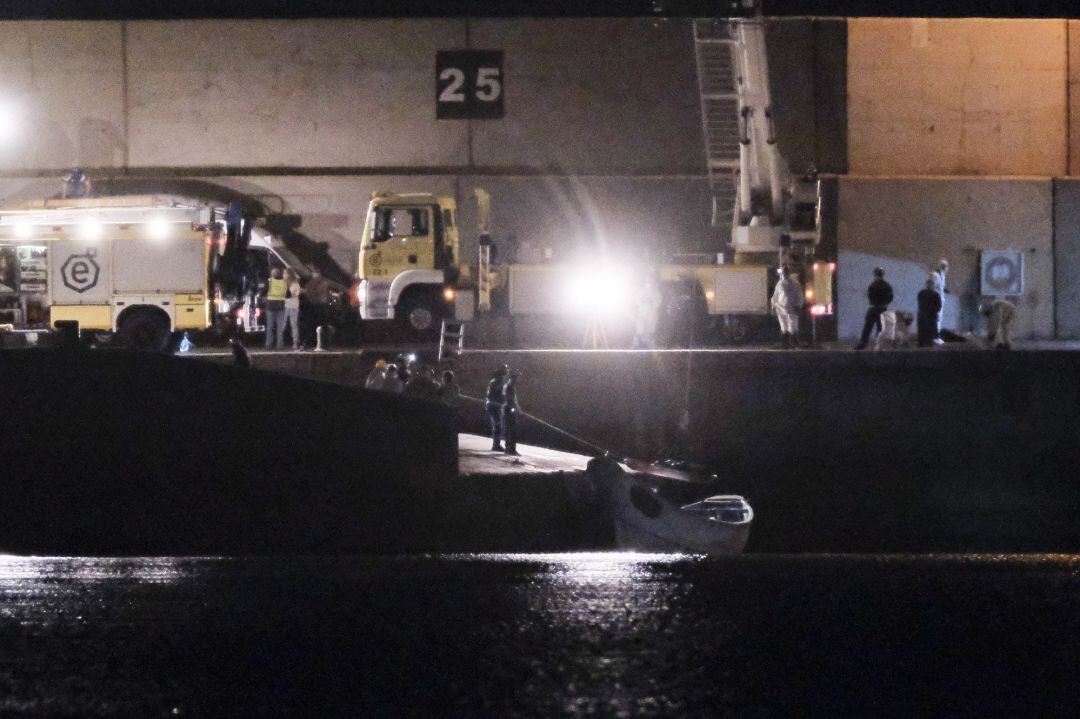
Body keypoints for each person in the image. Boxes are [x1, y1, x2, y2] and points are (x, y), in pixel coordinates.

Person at [855, 267, 893, 350]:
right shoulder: (885, 285)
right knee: (876, 328)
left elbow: (869, 295)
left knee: (870, 328)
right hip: (880, 308)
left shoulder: (873, 285)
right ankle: (876, 345)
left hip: (875, 308)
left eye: (877, 275)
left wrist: (875, 301)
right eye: (877, 275)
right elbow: (890, 297)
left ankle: (864, 344)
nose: (877, 276)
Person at [770, 267, 803, 349]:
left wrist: (798, 305)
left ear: (788, 273)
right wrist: (773, 306)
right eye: (784, 272)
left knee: (792, 326)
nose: (784, 274)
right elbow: (775, 296)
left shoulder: (795, 284)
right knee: (784, 327)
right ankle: (785, 343)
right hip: (781, 309)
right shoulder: (780, 284)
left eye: (786, 272)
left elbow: (800, 296)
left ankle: (794, 343)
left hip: (792, 309)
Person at [631, 271, 663, 349]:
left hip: (652, 315)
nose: (649, 282)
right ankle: (636, 345)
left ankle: (651, 346)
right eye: (647, 280)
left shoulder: (656, 291)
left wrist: (651, 303)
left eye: (650, 280)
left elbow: (658, 301)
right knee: (640, 329)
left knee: (650, 330)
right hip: (642, 313)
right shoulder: (640, 291)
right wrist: (643, 302)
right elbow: (637, 301)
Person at [304, 268, 335, 347]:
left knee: (317, 323)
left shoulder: (316, 282)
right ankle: (320, 341)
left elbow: (312, 292)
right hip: (320, 304)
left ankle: (318, 341)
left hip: (318, 304)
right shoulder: (324, 282)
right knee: (320, 323)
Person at [485, 365, 508, 451]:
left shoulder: (498, 382)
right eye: (504, 373)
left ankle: (496, 444)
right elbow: (492, 395)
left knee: (499, 424)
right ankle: (496, 445)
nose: (505, 376)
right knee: (498, 424)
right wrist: (499, 402)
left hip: (496, 406)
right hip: (493, 406)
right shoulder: (496, 382)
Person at [264, 267, 287, 349]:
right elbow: (287, 293)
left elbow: (264, 291)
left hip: (271, 305)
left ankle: (268, 344)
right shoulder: (284, 282)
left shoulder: (269, 281)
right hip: (281, 306)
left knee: (270, 326)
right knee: (280, 327)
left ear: (272, 274)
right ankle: (280, 345)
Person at [916, 277, 943, 347]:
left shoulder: (922, 293)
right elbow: (938, 306)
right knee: (929, 331)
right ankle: (928, 343)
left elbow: (920, 303)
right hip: (930, 315)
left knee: (924, 330)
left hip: (925, 315)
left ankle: (923, 343)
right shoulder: (935, 295)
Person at [502, 368, 521, 456]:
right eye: (517, 377)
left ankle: (508, 448)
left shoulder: (509, 385)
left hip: (508, 409)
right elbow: (511, 400)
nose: (518, 379)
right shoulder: (509, 386)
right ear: (514, 377)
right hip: (509, 410)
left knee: (508, 429)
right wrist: (516, 408)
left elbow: (513, 399)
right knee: (512, 430)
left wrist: (518, 408)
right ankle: (511, 449)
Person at [931, 258, 949, 344]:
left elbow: (940, 287)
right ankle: (935, 336)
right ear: (942, 266)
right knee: (936, 318)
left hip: (940, 299)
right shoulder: (935, 275)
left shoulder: (942, 275)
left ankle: (936, 335)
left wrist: (944, 290)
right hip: (935, 299)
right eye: (945, 266)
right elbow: (932, 287)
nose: (947, 268)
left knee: (939, 318)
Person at [283, 269, 302, 350]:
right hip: (285, 306)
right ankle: (279, 342)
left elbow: (295, 295)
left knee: (293, 325)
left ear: (289, 274)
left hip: (293, 306)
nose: (283, 274)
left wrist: (286, 295)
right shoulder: (283, 284)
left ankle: (295, 342)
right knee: (282, 324)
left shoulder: (295, 284)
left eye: (285, 273)